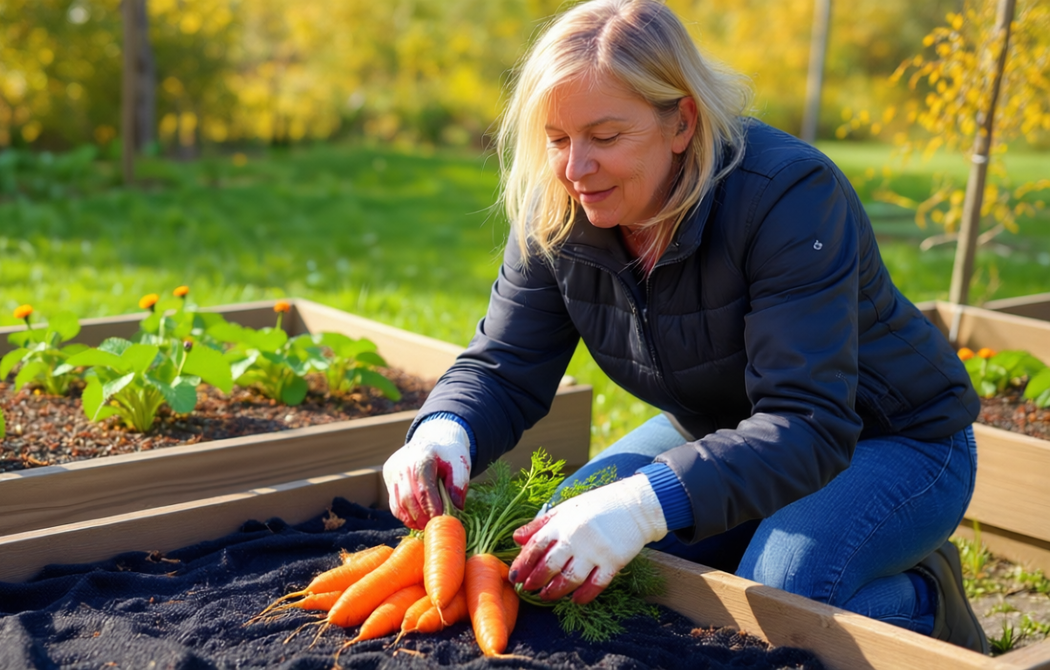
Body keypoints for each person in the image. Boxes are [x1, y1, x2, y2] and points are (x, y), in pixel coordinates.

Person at [382, 0, 988, 654]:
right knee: (558, 554)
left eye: (606, 138)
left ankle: (927, 603)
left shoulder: (789, 196)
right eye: (557, 139)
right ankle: (751, 538)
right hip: (722, 428)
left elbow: (809, 422)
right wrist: (447, 428)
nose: (574, 169)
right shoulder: (560, 208)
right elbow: (502, 364)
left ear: (682, 122)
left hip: (885, 440)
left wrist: (644, 506)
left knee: (776, 599)